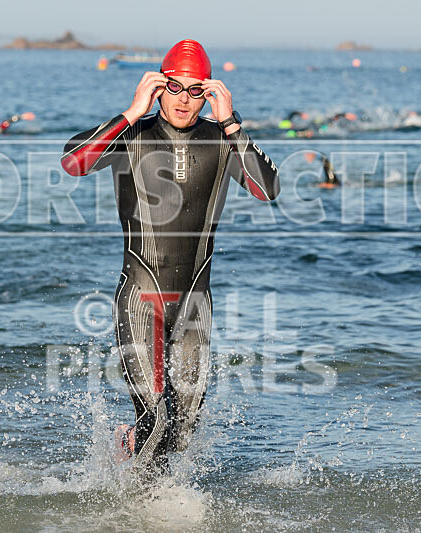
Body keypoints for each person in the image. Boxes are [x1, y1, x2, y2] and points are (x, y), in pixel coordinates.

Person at [61, 39, 279, 472]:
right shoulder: (132, 135)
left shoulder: (221, 142)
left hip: (197, 302)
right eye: (174, 87)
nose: (183, 99)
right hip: (141, 297)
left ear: (209, 92)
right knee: (155, 417)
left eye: (195, 89)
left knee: (184, 427)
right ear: (157, 87)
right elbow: (73, 161)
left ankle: (141, 474)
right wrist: (131, 110)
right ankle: (139, 508)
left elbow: (266, 189)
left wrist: (232, 122)